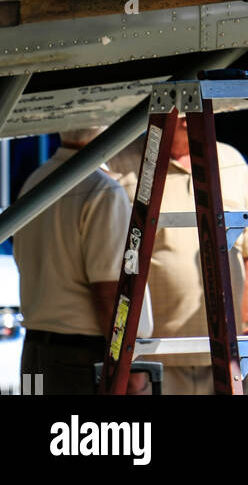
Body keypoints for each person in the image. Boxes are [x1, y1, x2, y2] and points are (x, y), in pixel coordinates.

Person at [109, 116, 248, 395]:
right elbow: (111, 269)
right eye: (177, 109)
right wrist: (126, 359)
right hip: (156, 356)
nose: (184, 117)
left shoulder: (231, 161)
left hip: (227, 354)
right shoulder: (120, 165)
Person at [13, 127, 149, 395]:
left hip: (34, 352)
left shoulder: (34, 182)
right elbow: (109, 294)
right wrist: (128, 371)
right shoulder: (102, 190)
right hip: (80, 359)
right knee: (89, 438)